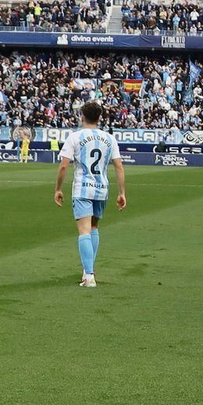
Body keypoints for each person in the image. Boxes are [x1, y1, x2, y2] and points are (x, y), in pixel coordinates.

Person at [52, 102, 126, 289]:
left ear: (82, 116)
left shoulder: (75, 137)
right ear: (99, 117)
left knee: (84, 230)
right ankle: (88, 270)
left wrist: (58, 189)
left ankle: (89, 276)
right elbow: (119, 166)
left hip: (82, 189)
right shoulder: (109, 139)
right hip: (102, 189)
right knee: (93, 227)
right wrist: (122, 192)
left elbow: (63, 165)